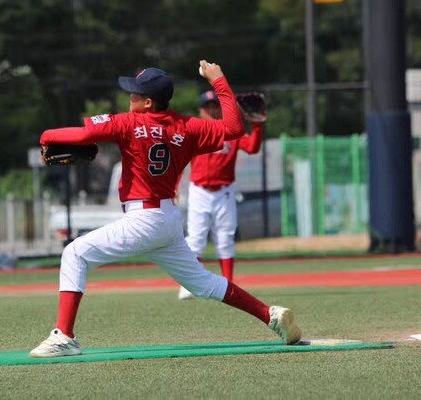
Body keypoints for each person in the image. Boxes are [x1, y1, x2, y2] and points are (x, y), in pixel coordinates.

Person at [30, 61, 301, 358]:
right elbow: (235, 128)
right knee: (201, 283)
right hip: (168, 220)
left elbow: (78, 136)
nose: (129, 97)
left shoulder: (127, 123)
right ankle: (270, 315)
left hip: (143, 219)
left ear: (147, 102)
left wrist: (45, 136)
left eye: (134, 94)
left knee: (74, 253)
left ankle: (65, 337)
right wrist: (218, 79)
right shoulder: (187, 126)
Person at [178, 90, 265, 300]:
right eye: (207, 107)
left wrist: (257, 125)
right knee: (196, 238)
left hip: (224, 191)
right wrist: (174, 187)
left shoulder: (231, 131)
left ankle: (229, 285)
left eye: (215, 106)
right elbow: (178, 159)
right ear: (200, 110)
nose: (211, 110)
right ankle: (192, 283)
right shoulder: (193, 131)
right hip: (199, 190)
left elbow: (252, 148)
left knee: (225, 238)